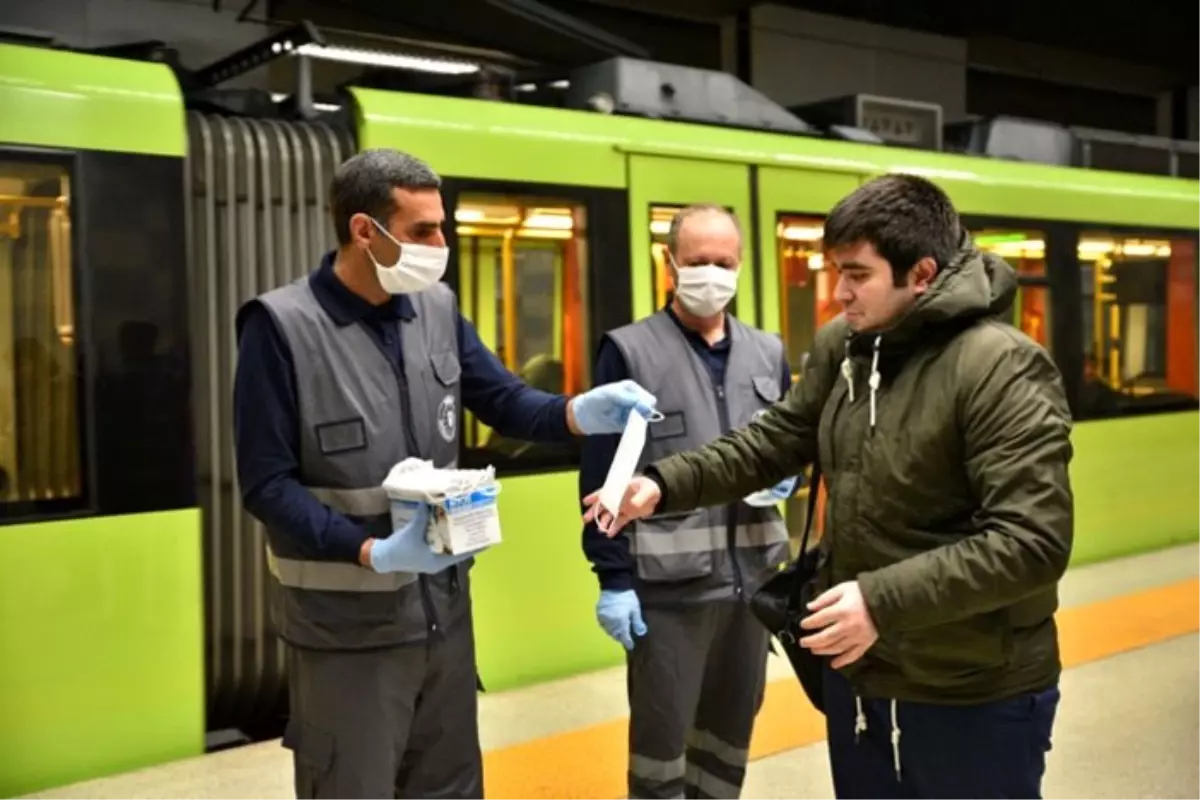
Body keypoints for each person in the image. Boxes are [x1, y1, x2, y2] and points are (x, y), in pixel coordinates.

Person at [584, 174, 1073, 799]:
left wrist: (877, 601)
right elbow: (775, 439)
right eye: (834, 270)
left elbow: (1032, 541)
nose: (837, 292)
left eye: (857, 274)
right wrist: (661, 484)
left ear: (921, 273)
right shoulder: (847, 348)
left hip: (968, 687)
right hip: (864, 679)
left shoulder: (1000, 366)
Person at [232, 148, 656, 800]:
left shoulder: (435, 309)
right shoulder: (282, 329)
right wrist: (369, 550)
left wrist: (578, 411)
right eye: (422, 231)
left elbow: (508, 402)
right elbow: (267, 484)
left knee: (451, 789)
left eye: (442, 226)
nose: (441, 244)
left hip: (444, 623)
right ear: (363, 231)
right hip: (346, 636)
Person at [579, 204, 802, 799]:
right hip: (668, 595)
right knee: (661, 752)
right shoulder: (630, 354)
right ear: (671, 263)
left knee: (729, 744)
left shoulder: (768, 353)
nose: (711, 273)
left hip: (751, 590)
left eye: (723, 262)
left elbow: (789, 451)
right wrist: (613, 576)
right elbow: (601, 480)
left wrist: (789, 482)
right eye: (698, 261)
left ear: (741, 266)